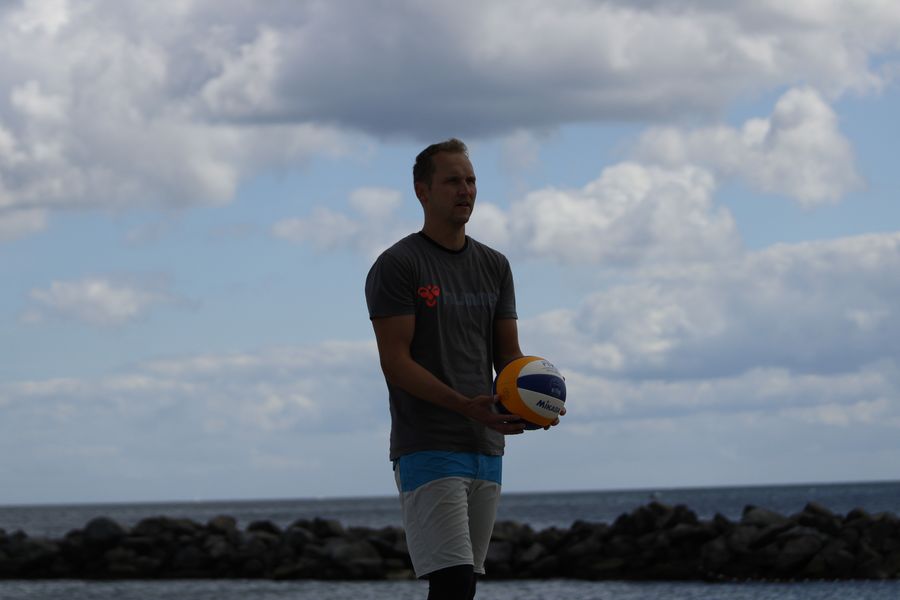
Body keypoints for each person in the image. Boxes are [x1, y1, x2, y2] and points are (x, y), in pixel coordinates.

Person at [365, 138, 561, 600]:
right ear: (422, 191)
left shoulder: (495, 265)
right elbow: (395, 362)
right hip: (428, 444)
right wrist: (463, 406)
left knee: (464, 584)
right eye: (452, 181)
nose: (465, 190)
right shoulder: (398, 265)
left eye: (471, 180)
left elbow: (508, 356)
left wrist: (535, 402)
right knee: (451, 581)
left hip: (486, 446)